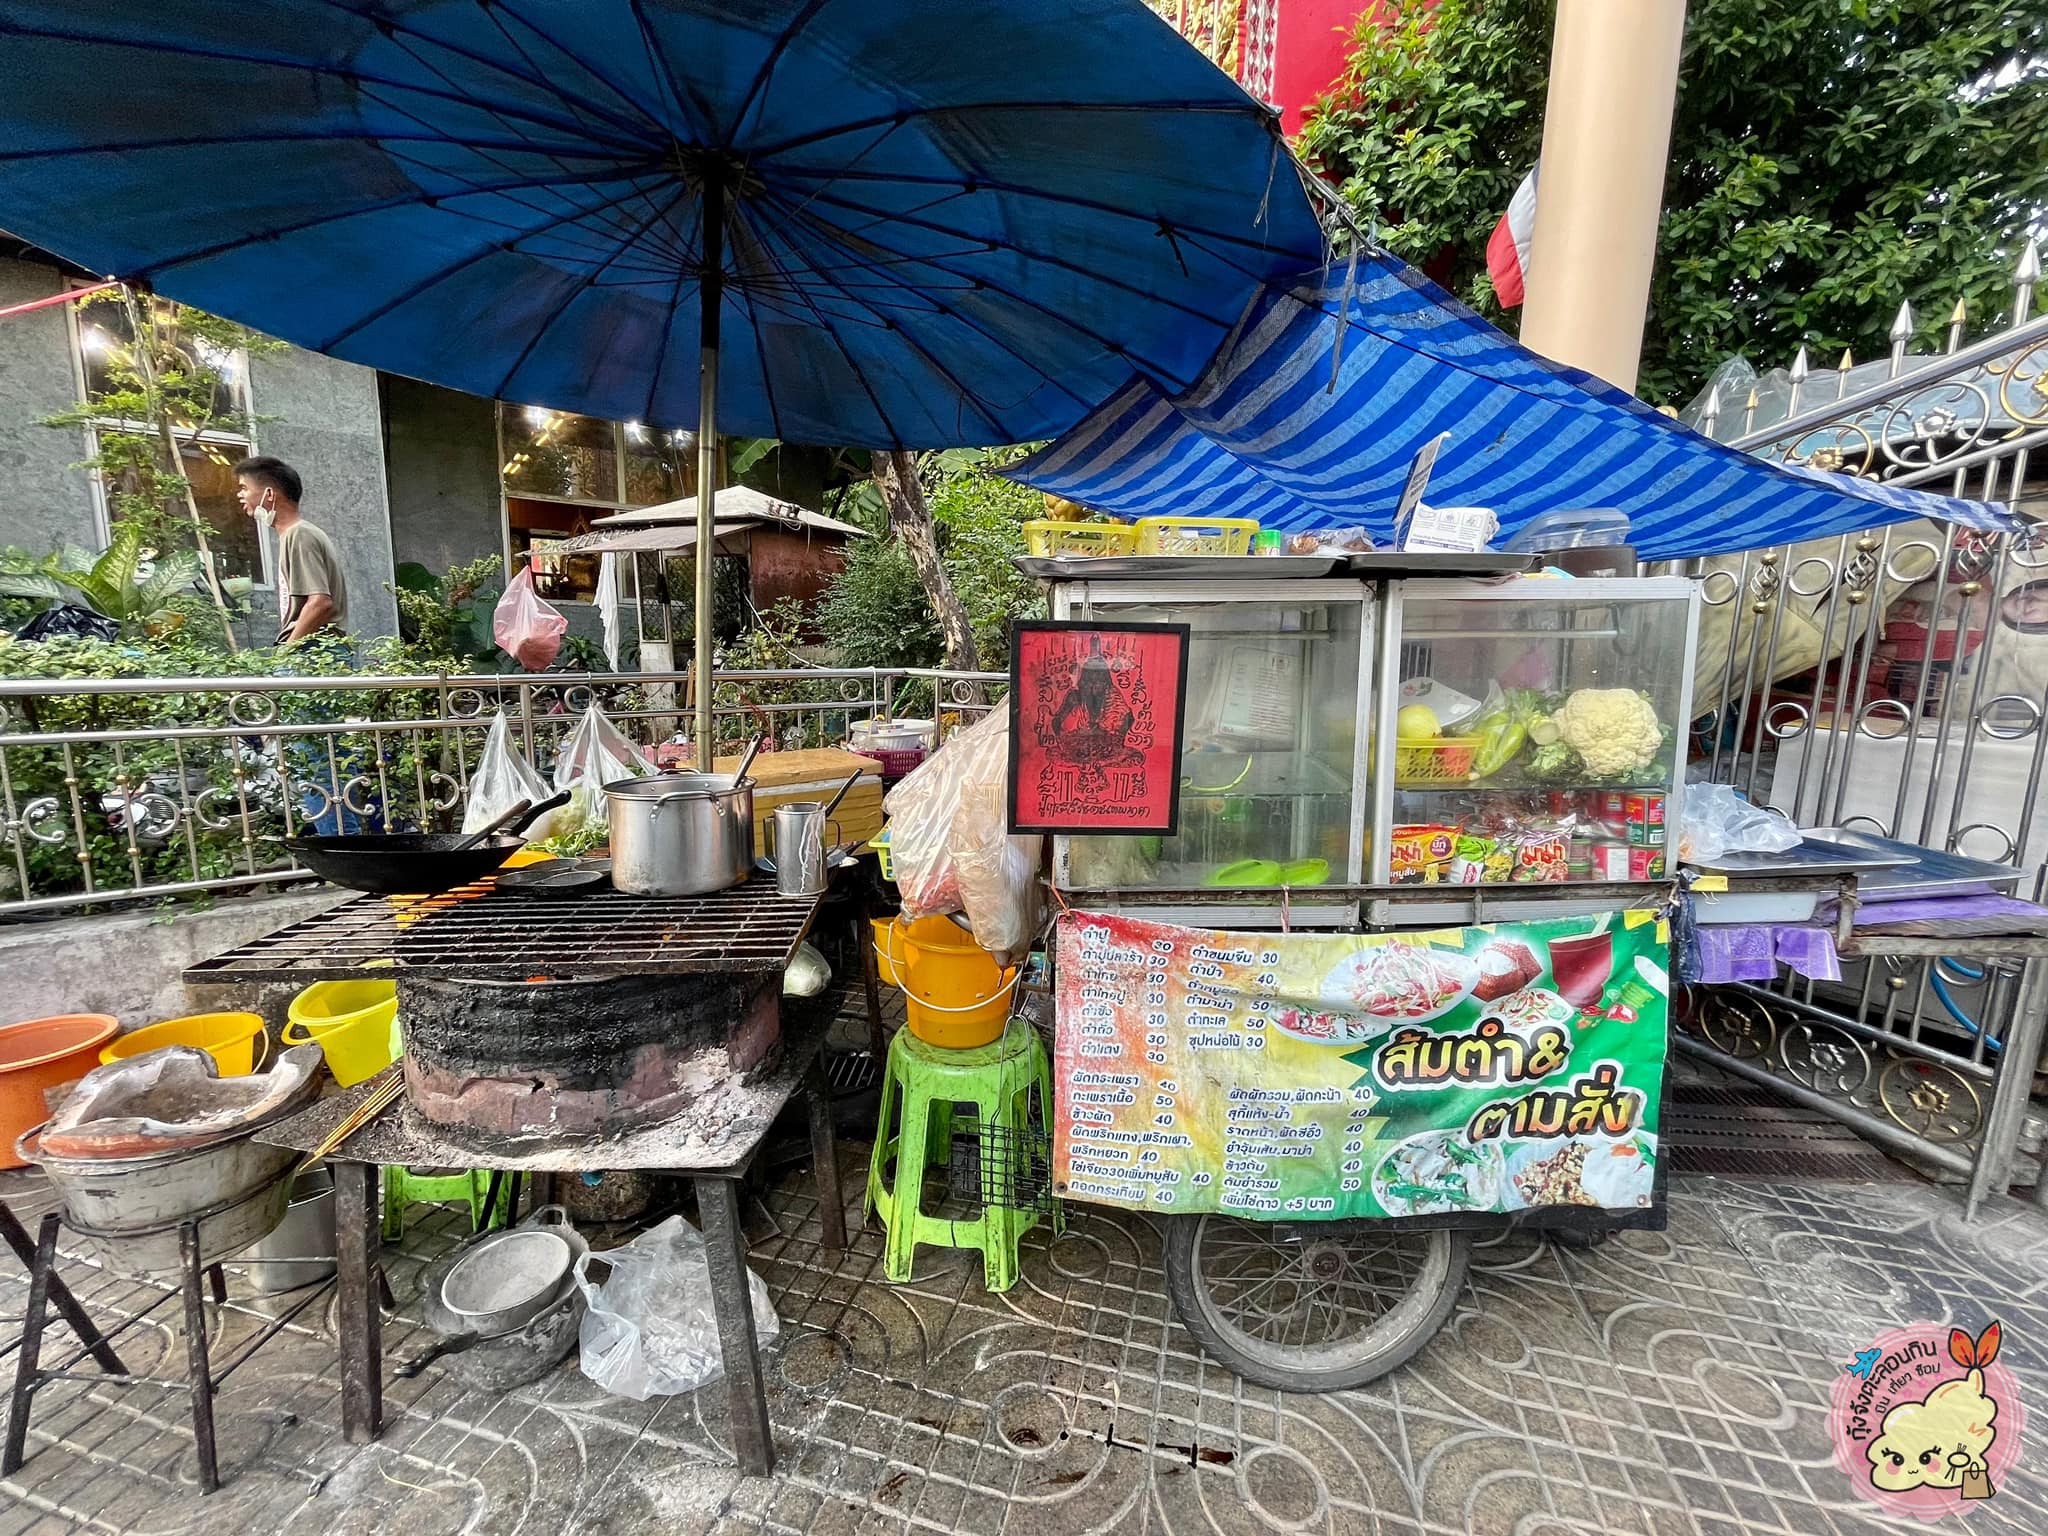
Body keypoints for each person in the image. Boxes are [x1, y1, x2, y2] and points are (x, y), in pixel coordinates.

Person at [234, 455, 348, 645]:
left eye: (244, 488)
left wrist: (287, 653)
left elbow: (320, 603)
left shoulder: (300, 535)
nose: (239, 494)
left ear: (269, 495)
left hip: (314, 650)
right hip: (314, 648)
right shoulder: (296, 535)